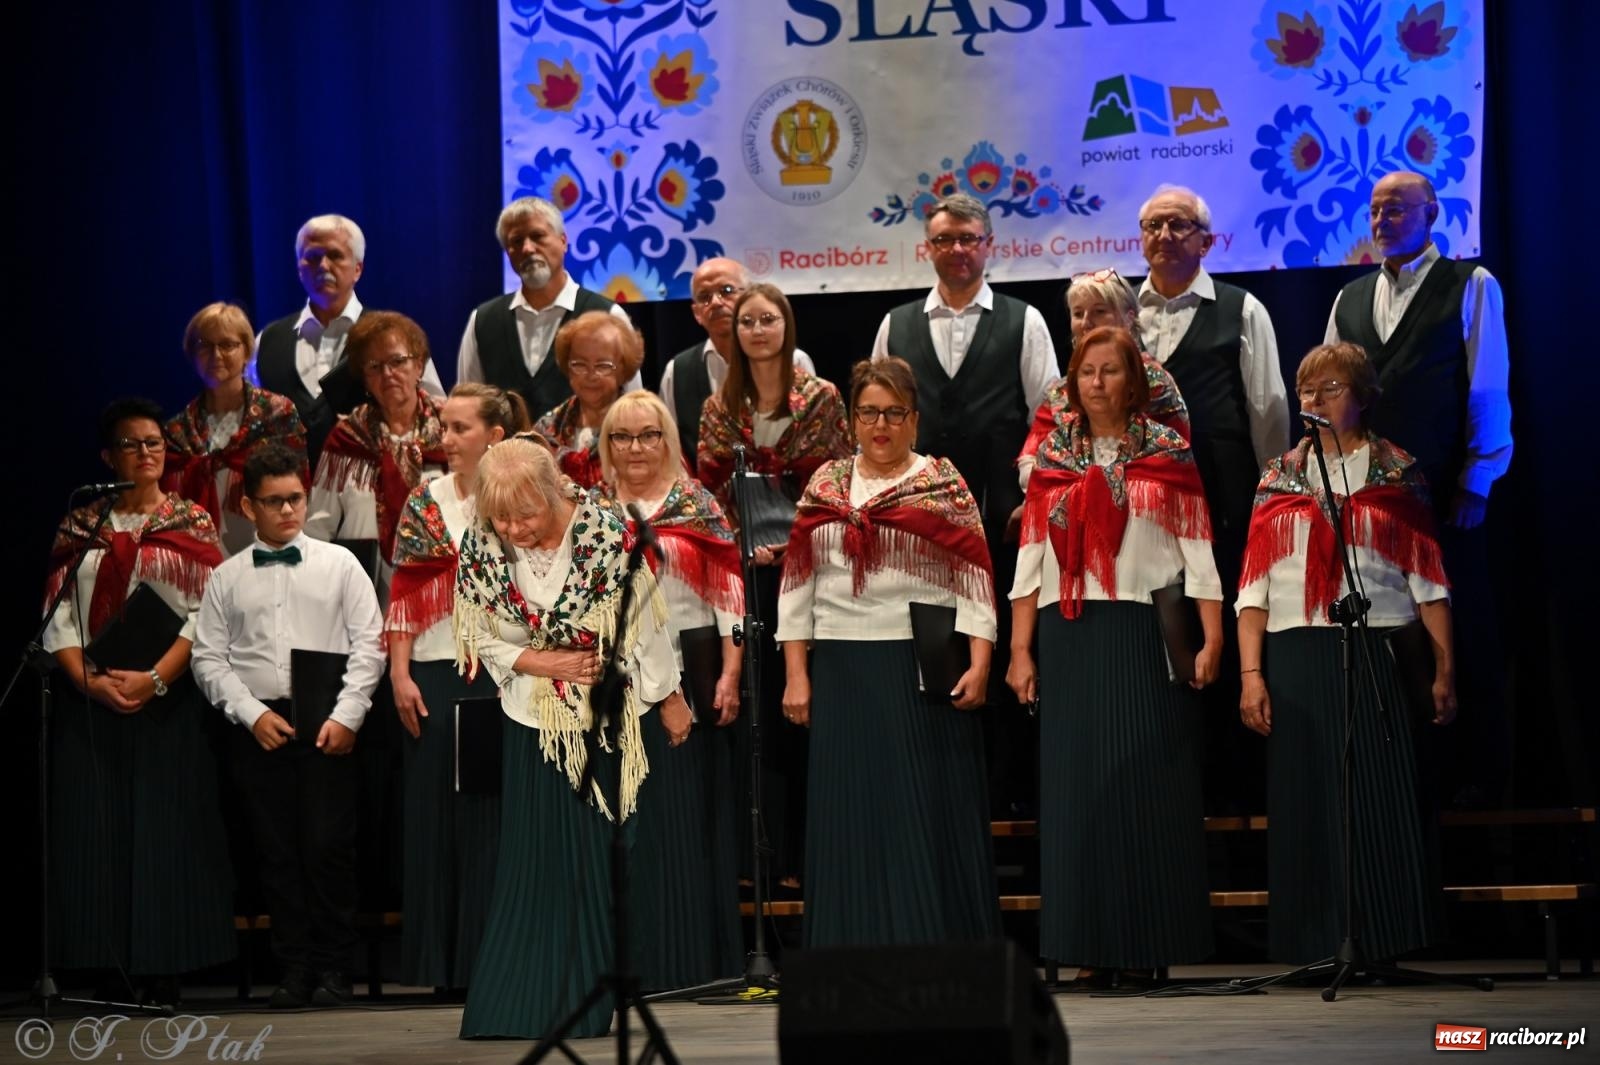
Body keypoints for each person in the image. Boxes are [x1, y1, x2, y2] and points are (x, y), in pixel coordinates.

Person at [452, 438, 692, 1039]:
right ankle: (518, 1005)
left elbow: (645, 627)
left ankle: (584, 1001)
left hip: (606, 724)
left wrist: (670, 697)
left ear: (555, 492)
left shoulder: (607, 538)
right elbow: (479, 634)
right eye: (501, 519)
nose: (514, 530)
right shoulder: (483, 545)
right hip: (531, 723)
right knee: (535, 867)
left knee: (598, 861)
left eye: (525, 515)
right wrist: (541, 661)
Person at [1006, 326, 1222, 989]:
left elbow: (1198, 551)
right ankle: (1088, 943)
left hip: (1144, 633)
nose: (1097, 382)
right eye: (1086, 371)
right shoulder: (1053, 456)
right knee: (1077, 795)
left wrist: (1213, 638)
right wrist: (1019, 649)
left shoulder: (1168, 451)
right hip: (1069, 632)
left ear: (1134, 381)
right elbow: (1030, 559)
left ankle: (1146, 941)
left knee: (1147, 789)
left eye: (1110, 370)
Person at [1237, 341, 1453, 963]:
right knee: (1308, 798)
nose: (1316, 400)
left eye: (1330, 388)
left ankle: (1384, 938)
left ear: (1362, 397)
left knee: (1380, 797)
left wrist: (1445, 669)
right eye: (1307, 390)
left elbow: (1428, 582)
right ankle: (1313, 943)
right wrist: (1251, 674)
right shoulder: (1278, 478)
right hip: (1297, 653)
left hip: (1379, 645)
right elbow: (1253, 588)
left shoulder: (1396, 472)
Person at [778, 357, 1001, 947]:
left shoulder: (943, 485)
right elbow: (797, 586)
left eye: (894, 413)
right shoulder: (825, 485)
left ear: (915, 420)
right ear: (852, 420)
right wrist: (796, 673)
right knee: (850, 810)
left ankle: (931, 947)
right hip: (843, 670)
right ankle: (850, 949)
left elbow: (975, 579)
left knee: (921, 810)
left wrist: (981, 662)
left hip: (920, 669)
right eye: (869, 413)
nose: (881, 425)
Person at [1324, 170, 1511, 807]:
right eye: (1375, 210)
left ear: (1431, 213)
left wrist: (1477, 479)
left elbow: (1488, 387)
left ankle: (1471, 784)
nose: (1382, 221)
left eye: (1397, 209)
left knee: (1457, 631)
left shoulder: (1470, 284)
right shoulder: (1349, 299)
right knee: (1384, 626)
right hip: (1365, 502)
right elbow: (1329, 394)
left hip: (1441, 494)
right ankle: (1392, 775)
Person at [40, 398, 234, 1007]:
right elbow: (59, 617)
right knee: (97, 831)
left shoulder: (191, 520)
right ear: (108, 456)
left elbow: (206, 615)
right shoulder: (81, 524)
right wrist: (88, 682)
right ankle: (109, 966)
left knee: (163, 831)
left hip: (166, 700)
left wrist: (155, 679)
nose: (146, 453)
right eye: (132, 444)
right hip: (92, 701)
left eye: (155, 443)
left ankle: (163, 964)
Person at [191, 442, 386, 1008]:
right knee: (275, 853)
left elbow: (369, 644)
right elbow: (208, 658)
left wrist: (347, 716)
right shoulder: (227, 577)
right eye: (273, 501)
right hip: (261, 725)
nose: (287, 510)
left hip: (326, 720)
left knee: (328, 848)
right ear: (248, 507)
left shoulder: (339, 564)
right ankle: (294, 970)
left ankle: (335, 968)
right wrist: (251, 714)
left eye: (295, 498)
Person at [1136, 183, 1288, 814]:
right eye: (1154, 225)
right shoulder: (1120, 313)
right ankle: (1161, 785)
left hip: (1221, 499)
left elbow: (1268, 412)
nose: (1165, 236)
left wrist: (1271, 501)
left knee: (1220, 634)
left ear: (1206, 240)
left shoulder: (1242, 309)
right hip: (1140, 514)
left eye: (1179, 225)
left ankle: (1233, 793)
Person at [696, 282, 850, 889]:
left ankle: (810, 859)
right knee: (754, 712)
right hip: (743, 575)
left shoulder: (822, 399)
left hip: (810, 568)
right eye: (747, 322)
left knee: (801, 711)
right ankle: (759, 859)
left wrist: (792, 544)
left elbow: (837, 485)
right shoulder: (718, 408)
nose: (758, 331)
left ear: (787, 326)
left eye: (768, 319)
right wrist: (742, 544)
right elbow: (710, 496)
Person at [384, 383, 530, 995]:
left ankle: (495, 960)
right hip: (438, 670)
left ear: (494, 436)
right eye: (442, 427)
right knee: (435, 818)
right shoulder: (426, 500)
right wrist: (399, 673)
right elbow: (404, 590)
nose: (444, 438)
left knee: (494, 818)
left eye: (458, 428)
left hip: (507, 671)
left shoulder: (523, 496)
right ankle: (442, 966)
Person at [598, 390, 744, 990]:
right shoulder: (592, 510)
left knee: (686, 827)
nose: (636, 448)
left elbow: (730, 596)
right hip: (615, 691)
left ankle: (692, 962)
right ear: (607, 445)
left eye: (648, 435)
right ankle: (637, 966)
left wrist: (732, 673)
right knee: (632, 830)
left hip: (693, 683)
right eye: (622, 436)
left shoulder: (697, 503)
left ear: (667, 440)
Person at [253, 214, 444, 464]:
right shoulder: (267, 341)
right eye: (312, 257)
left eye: (335, 255)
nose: (323, 266)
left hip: (375, 482)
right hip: (287, 485)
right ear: (299, 268)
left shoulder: (395, 336)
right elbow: (251, 422)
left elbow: (435, 412)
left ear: (358, 269)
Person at [455, 196, 638, 421]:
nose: (527, 248)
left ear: (563, 241)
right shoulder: (483, 321)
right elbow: (468, 410)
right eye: (516, 241)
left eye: (537, 236)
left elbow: (633, 408)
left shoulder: (608, 316)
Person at [305, 310, 447, 598]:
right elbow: (318, 529)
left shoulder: (450, 429)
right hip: (363, 592)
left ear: (419, 366)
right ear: (364, 379)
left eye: (397, 361)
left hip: (442, 590)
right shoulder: (346, 439)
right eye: (375, 366)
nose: (388, 374)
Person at [1018, 269, 1188, 488]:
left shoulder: (1154, 383)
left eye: (1099, 311)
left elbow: (1175, 460)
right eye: (1078, 314)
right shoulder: (1060, 391)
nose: (1086, 322)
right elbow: (1030, 463)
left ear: (1129, 318)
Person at [164, 301, 307, 557]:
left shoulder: (278, 414)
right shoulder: (177, 429)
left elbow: (299, 488)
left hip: (268, 551)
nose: (216, 355)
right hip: (196, 556)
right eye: (205, 345)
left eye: (227, 345)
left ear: (247, 351)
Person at [659, 257, 815, 468]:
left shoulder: (794, 362)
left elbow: (815, 440)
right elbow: (670, 448)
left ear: (748, 296)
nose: (716, 302)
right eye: (704, 297)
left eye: (726, 291)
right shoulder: (677, 371)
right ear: (696, 313)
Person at [531, 311, 647, 489]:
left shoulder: (646, 425)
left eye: (603, 365)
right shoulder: (546, 429)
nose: (591, 375)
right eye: (580, 364)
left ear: (624, 369)